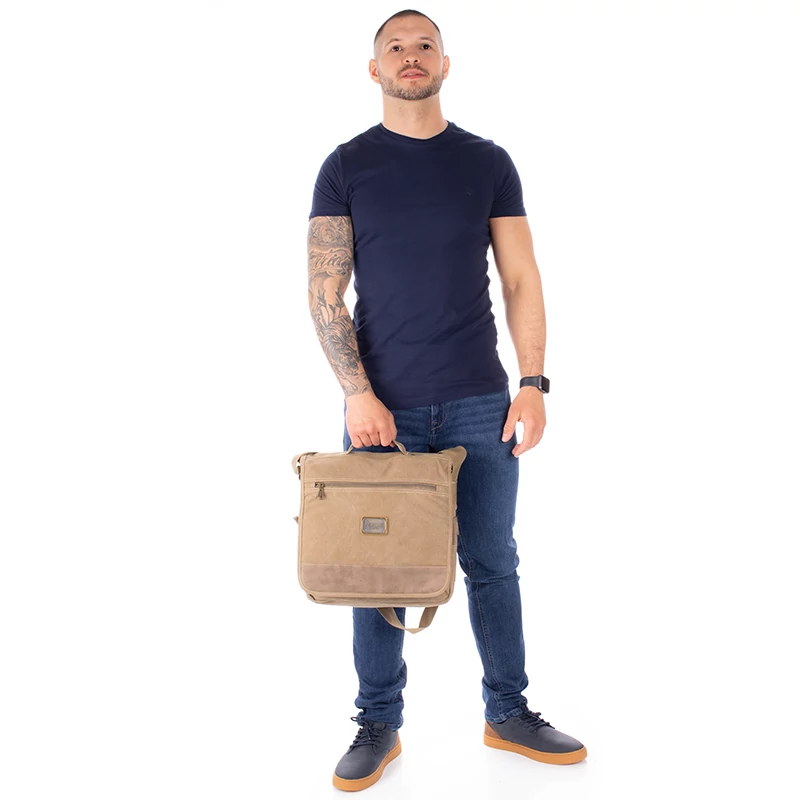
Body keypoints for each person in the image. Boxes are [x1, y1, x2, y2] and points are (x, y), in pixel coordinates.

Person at [306, 9, 586, 792]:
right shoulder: (345, 166)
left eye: (424, 44)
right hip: (383, 410)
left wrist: (532, 382)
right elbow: (324, 292)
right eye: (394, 47)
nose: (411, 56)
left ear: (445, 63)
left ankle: (508, 713)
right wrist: (358, 395)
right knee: (376, 572)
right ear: (374, 70)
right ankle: (377, 723)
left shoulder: (487, 162)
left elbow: (522, 277)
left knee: (493, 562)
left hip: (480, 403)